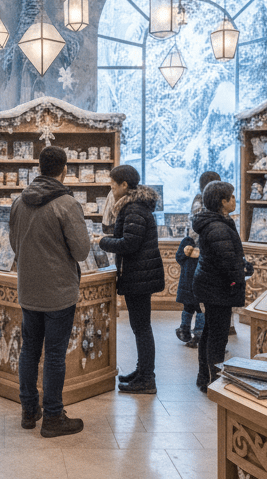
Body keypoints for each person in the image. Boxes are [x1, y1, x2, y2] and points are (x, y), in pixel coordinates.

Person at [10, 145, 90, 438]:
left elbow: (14, 244)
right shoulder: (66, 204)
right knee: (55, 354)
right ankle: (53, 417)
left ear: (39, 168)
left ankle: (29, 410)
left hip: (28, 289)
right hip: (59, 291)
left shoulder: (20, 201)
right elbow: (81, 251)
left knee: (29, 350)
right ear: (64, 169)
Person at [98, 164, 163, 394]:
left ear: (124, 185)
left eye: (113, 185)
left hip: (139, 276)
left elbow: (129, 244)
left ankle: (147, 378)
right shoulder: (135, 206)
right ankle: (142, 371)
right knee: (140, 327)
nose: (112, 190)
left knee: (142, 327)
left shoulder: (134, 208)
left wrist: (102, 241)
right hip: (139, 275)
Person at [191, 180, 247, 392]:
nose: (234, 200)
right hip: (218, 287)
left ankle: (204, 377)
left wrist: (242, 265)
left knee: (211, 331)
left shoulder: (220, 222)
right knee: (217, 336)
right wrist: (236, 278)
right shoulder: (217, 227)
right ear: (222, 202)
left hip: (213, 285)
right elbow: (225, 261)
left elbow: (230, 255)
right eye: (231, 197)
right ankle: (213, 381)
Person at [176, 171, 220, 348]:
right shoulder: (210, 204)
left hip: (192, 254)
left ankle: (185, 329)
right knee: (202, 300)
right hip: (203, 254)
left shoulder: (197, 201)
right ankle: (199, 333)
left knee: (191, 298)